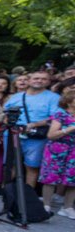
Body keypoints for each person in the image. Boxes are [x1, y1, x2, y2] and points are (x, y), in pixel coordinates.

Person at [4, 70, 62, 188]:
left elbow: (56, 118)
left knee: (32, 166)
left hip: (36, 136)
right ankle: (6, 191)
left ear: (49, 82)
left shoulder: (54, 98)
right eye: (36, 78)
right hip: (13, 133)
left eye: (43, 79)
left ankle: (28, 192)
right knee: (11, 163)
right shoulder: (16, 96)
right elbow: (5, 112)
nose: (39, 80)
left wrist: (35, 124)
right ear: (29, 80)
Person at [41, 89, 75, 217]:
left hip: (74, 151)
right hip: (57, 149)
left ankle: (67, 207)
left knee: (73, 178)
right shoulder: (60, 115)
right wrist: (69, 129)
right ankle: (46, 205)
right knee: (51, 176)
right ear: (69, 101)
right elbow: (51, 135)